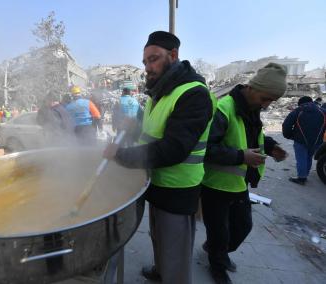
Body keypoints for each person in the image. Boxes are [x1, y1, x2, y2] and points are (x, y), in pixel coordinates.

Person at [104, 31, 215, 284]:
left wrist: (121, 155)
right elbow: (153, 133)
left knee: (175, 248)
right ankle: (160, 271)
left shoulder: (193, 94)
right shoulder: (162, 91)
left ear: (173, 55)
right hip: (157, 183)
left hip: (179, 189)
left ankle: (172, 276)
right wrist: (133, 128)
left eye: (153, 59)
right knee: (159, 238)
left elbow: (174, 148)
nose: (147, 67)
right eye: (144, 62)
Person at [201, 63, 288, 284]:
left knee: (243, 227)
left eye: (271, 101)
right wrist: (242, 157)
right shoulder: (224, 108)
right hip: (215, 185)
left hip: (239, 184)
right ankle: (217, 265)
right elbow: (207, 149)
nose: (267, 105)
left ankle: (215, 250)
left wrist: (270, 146)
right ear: (252, 88)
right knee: (219, 231)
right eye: (265, 99)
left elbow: (252, 139)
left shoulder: (252, 110)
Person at [283, 96, 326, 185]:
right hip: (317, 141)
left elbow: (287, 124)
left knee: (301, 158)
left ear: (301, 103)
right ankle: (305, 174)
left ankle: (302, 178)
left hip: (300, 140)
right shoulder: (322, 111)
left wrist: (289, 135)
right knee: (308, 157)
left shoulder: (298, 111)